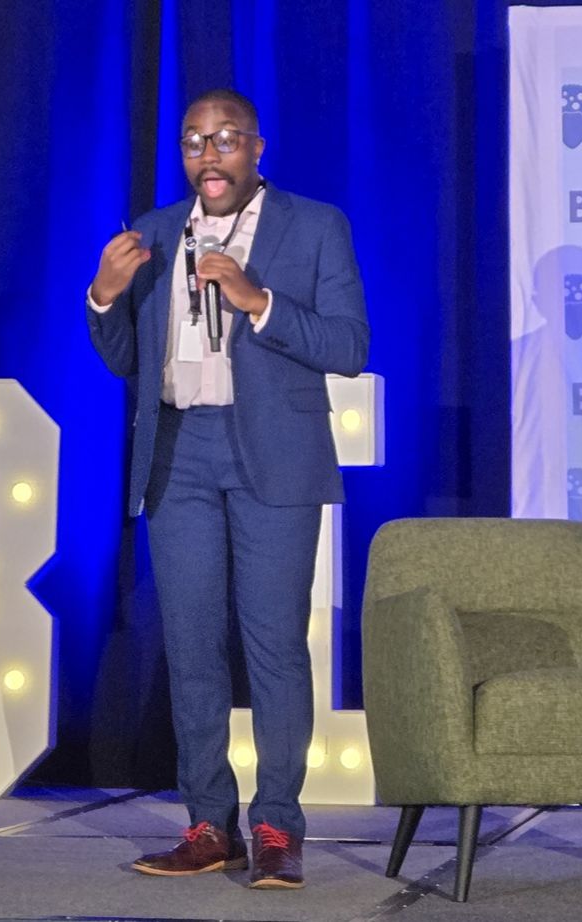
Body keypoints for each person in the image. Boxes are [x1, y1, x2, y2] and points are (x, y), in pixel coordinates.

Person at [86, 88, 369, 890]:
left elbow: (349, 345)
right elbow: (126, 359)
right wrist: (103, 295)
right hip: (178, 451)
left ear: (257, 147)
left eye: (225, 140)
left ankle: (277, 825)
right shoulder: (154, 231)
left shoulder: (315, 226)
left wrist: (259, 302)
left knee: (274, 646)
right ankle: (211, 824)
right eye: (193, 142)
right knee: (192, 648)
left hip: (274, 454)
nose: (208, 157)